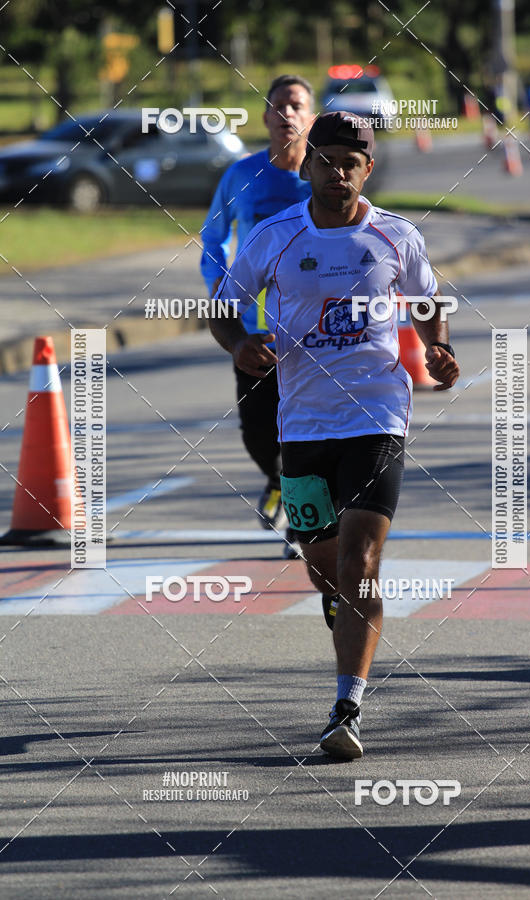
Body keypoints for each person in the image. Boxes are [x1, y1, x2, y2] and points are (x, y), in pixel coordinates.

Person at [208, 112, 459, 759]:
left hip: (377, 416)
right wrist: (239, 345)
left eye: (351, 163)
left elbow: (427, 301)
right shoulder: (275, 236)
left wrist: (438, 347)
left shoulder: (396, 236)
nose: (338, 173)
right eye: (326, 160)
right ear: (307, 164)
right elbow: (223, 305)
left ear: (367, 170)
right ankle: (340, 607)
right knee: (324, 565)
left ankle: (347, 708)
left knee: (359, 562)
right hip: (302, 424)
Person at [201, 74, 315, 557]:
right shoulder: (241, 175)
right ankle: (275, 478)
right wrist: (219, 287)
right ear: (266, 116)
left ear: (311, 116)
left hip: (312, 330)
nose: (288, 113)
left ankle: (303, 527)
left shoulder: (324, 175)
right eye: (279, 105)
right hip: (253, 330)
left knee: (305, 434)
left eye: (297, 105)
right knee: (258, 432)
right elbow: (213, 237)